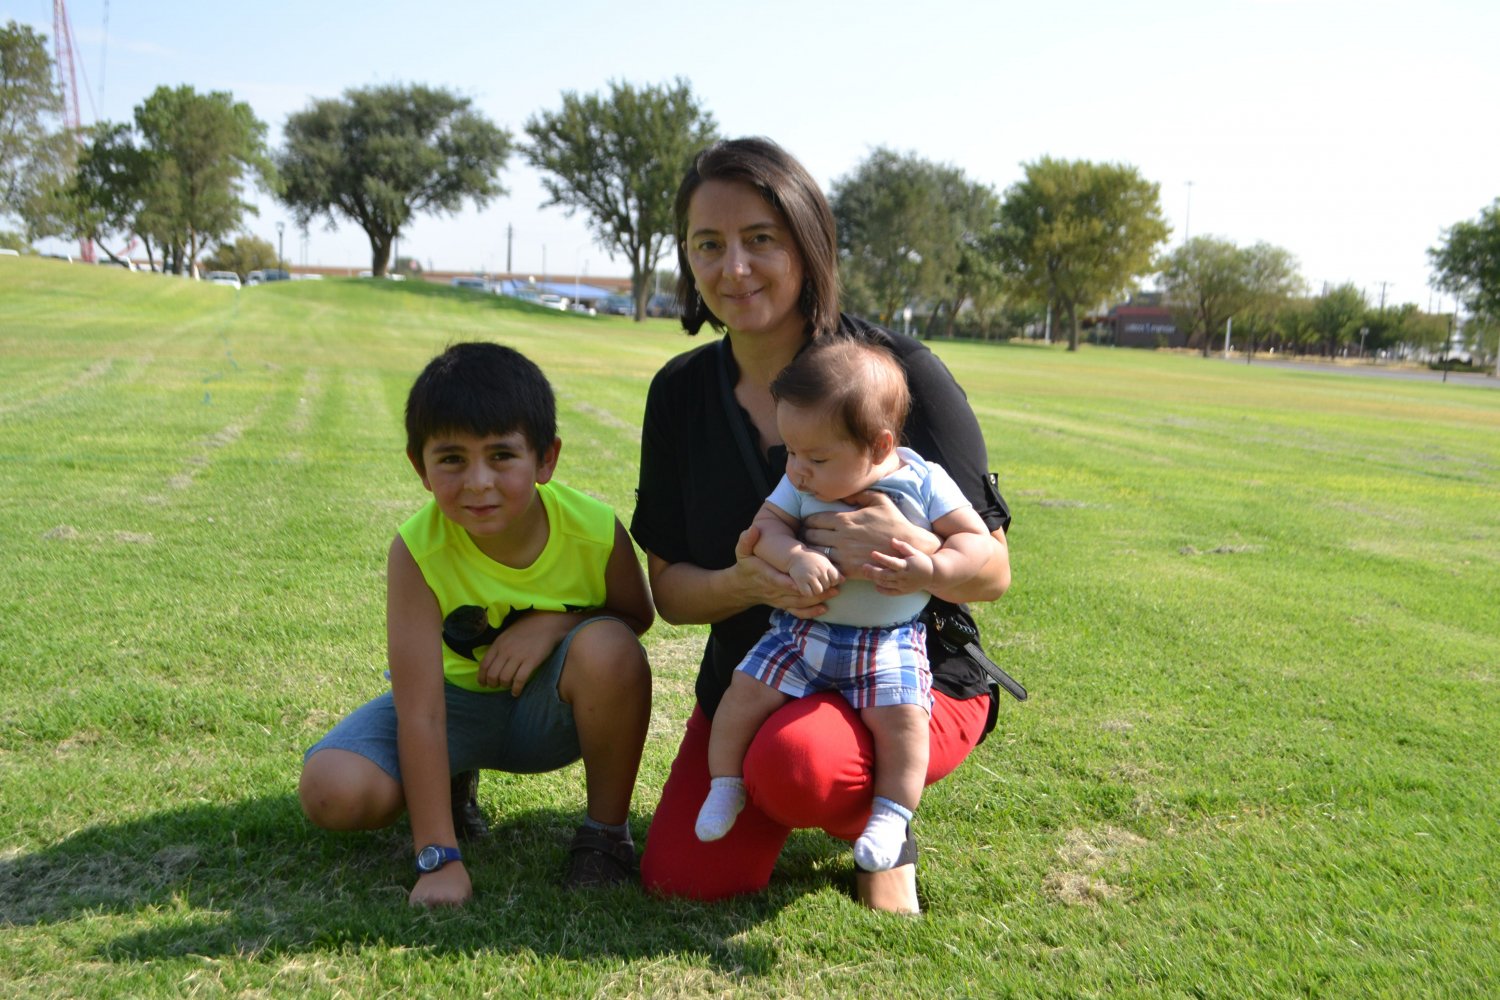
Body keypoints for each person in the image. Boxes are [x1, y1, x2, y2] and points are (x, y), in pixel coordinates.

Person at [632, 137, 1013, 913]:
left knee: (799, 764)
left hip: (908, 667)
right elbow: (669, 589)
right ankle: (798, 785)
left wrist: (917, 554)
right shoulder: (678, 393)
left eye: (760, 240)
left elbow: (994, 572)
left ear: (808, 243)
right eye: (710, 244)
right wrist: (744, 582)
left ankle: (886, 832)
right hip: (763, 670)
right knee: (684, 876)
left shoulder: (896, 377)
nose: (733, 268)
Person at [298, 341, 653, 907]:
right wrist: (437, 858)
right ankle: (449, 790)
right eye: (452, 459)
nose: (478, 482)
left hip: (546, 713)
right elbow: (420, 707)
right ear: (420, 467)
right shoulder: (416, 550)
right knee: (331, 790)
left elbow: (635, 619)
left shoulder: (594, 530)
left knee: (610, 648)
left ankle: (605, 836)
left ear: (547, 459)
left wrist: (554, 627)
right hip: (453, 708)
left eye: (501, 456)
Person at [694, 339, 993, 874]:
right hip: (801, 635)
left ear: (879, 447)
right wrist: (795, 555)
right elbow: (764, 529)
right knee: (744, 691)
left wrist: (931, 568)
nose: (797, 469)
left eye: (815, 457)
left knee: (904, 722)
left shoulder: (923, 481)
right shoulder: (800, 477)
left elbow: (978, 546)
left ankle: (891, 814)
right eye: (790, 452)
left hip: (888, 642)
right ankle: (725, 784)